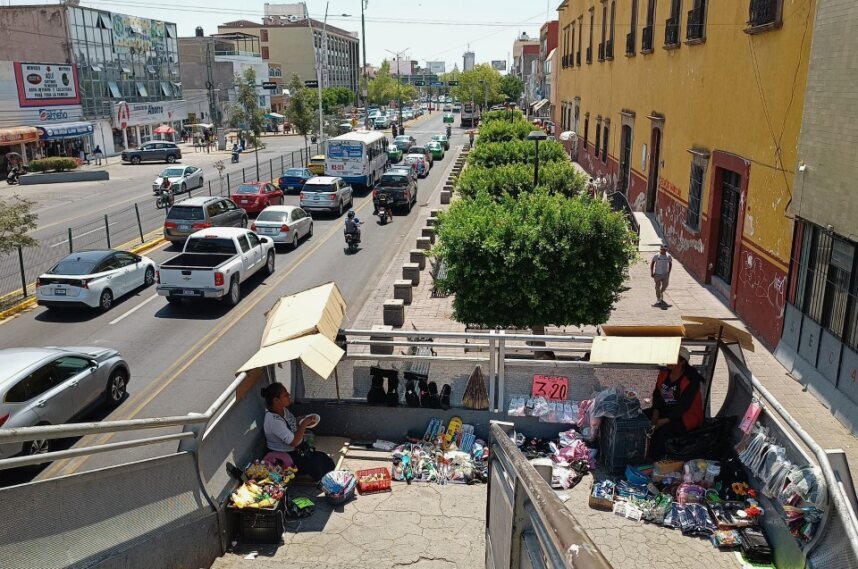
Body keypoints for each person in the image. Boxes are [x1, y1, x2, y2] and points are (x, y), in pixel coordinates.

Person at [261, 382, 335, 482]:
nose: (289, 395)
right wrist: (304, 424)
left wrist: (302, 419)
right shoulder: (273, 420)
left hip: (296, 450)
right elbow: (294, 442)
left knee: (325, 459)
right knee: (316, 468)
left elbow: (292, 422)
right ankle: (298, 476)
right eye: (285, 395)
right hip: (285, 455)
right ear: (276, 400)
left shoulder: (284, 410)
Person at [646, 347, 705, 460]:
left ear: (682, 362)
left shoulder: (691, 381)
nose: (669, 361)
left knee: (662, 432)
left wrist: (662, 421)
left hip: (685, 417)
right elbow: (657, 394)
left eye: (674, 359)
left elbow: (684, 406)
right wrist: (655, 412)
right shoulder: (663, 374)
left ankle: (652, 460)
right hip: (666, 410)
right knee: (641, 417)